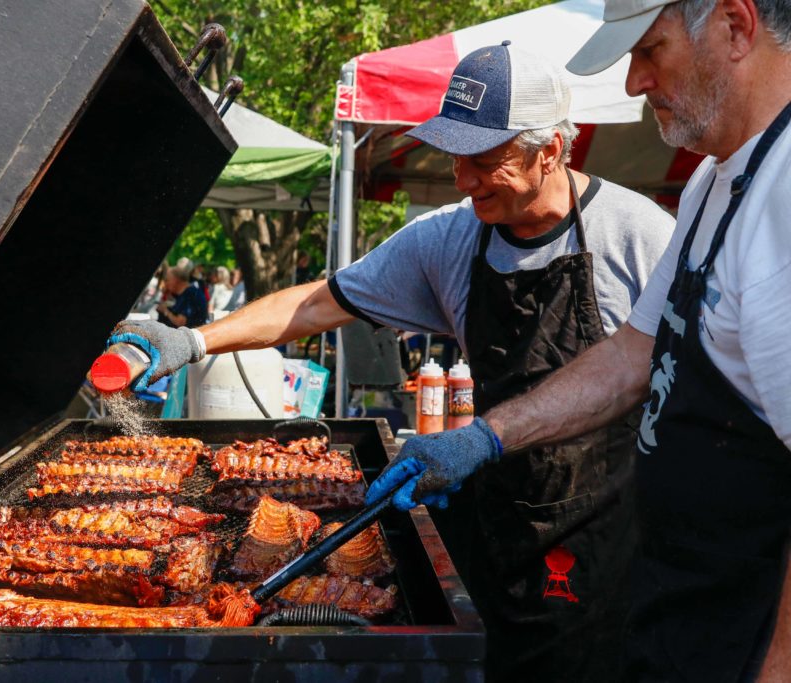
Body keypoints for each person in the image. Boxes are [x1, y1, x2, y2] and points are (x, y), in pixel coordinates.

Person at [102, 43, 675, 682]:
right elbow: (320, 304)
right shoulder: (451, 238)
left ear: (551, 150)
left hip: (608, 529)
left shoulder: (641, 237)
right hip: (497, 517)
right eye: (457, 159)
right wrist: (196, 341)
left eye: (485, 161)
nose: (463, 180)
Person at [365, 1, 791, 680]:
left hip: (744, 645)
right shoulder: (715, 184)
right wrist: (485, 437)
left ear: (736, 27)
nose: (633, 83)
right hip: (675, 618)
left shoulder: (785, 195)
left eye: (650, 51)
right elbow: (630, 354)